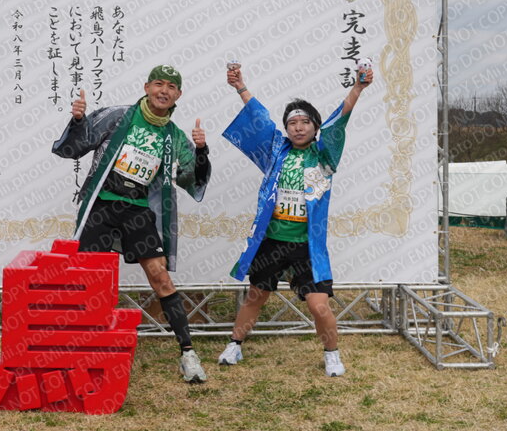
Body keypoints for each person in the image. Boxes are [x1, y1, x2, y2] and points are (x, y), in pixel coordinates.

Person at [52, 65, 212, 383]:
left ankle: (188, 353)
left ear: (178, 94)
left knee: (160, 276)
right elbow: (75, 147)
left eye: (171, 87)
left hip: (137, 209)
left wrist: (201, 150)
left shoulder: (173, 136)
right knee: (88, 277)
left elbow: (191, 178)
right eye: (158, 84)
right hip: (102, 204)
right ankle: (79, 349)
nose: (164, 91)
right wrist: (79, 120)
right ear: (146, 87)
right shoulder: (117, 116)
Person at [217, 62, 372, 376]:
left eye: (305, 122)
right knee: (256, 295)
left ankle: (332, 354)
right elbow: (259, 119)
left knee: (318, 305)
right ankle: (235, 345)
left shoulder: (324, 156)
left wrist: (357, 88)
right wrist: (240, 87)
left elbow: (339, 121)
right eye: (292, 123)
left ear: (315, 127)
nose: (298, 128)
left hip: (306, 245)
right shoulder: (277, 151)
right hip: (272, 240)